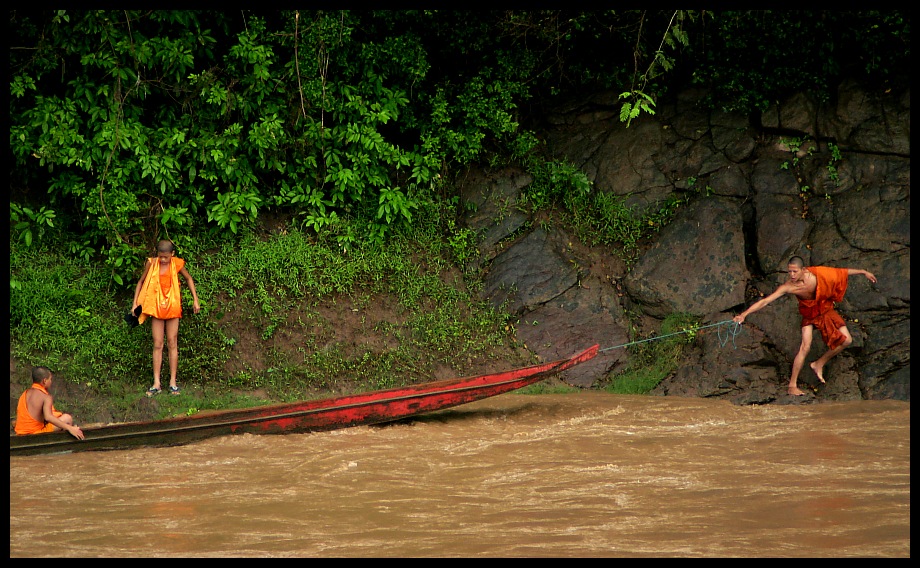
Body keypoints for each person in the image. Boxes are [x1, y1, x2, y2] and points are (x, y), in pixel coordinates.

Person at [733, 256, 877, 396]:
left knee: (847, 340)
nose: (792, 275)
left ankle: (819, 363)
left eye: (795, 271)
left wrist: (863, 272)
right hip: (809, 315)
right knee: (805, 346)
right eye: (789, 271)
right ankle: (792, 386)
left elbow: (840, 272)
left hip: (825, 309)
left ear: (804, 270)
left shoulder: (816, 274)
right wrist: (744, 314)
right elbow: (765, 301)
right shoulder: (788, 286)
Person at [133, 239, 201, 397]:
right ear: (157, 254)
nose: (163, 260)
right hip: (156, 309)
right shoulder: (152, 264)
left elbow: (189, 279)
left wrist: (195, 299)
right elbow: (141, 282)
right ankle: (156, 383)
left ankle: (172, 383)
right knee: (157, 343)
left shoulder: (177, 264)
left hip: (172, 307)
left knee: (172, 342)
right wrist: (135, 304)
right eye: (160, 257)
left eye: (166, 257)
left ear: (172, 254)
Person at [15, 366, 85, 439]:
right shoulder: (45, 397)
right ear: (44, 381)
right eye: (50, 379)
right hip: (34, 434)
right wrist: (70, 428)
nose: (51, 382)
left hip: (20, 433)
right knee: (67, 418)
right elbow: (48, 417)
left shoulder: (25, 394)